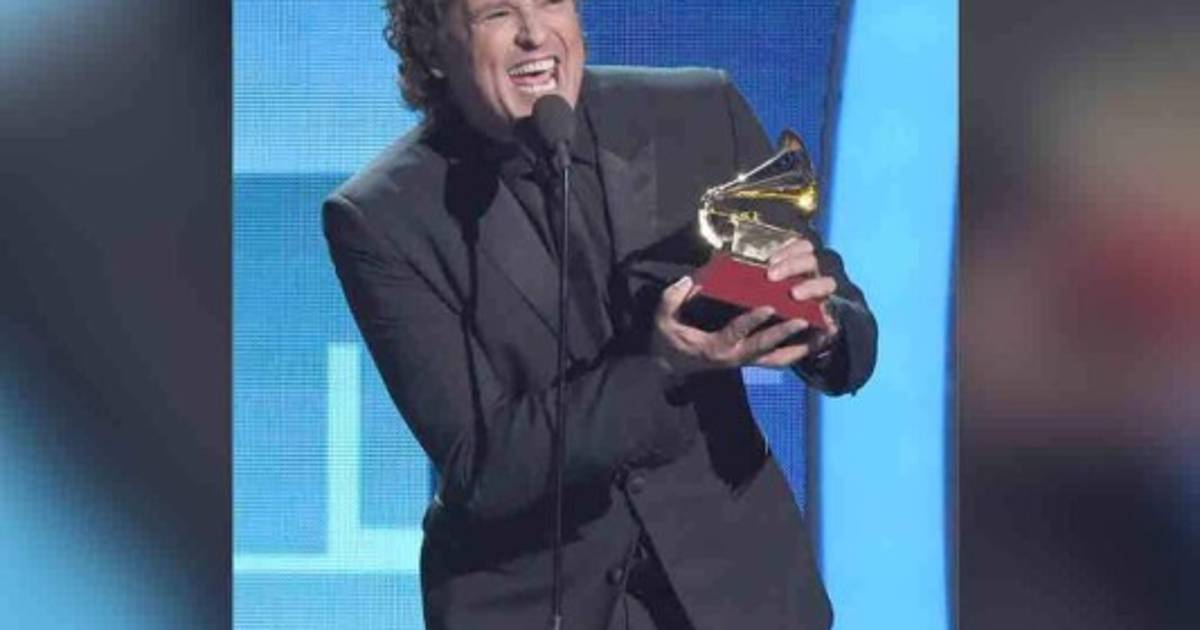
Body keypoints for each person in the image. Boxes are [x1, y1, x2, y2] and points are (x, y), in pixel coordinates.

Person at [323, 0, 877, 627]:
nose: (535, 34)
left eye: (551, 2)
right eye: (497, 13)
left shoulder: (695, 112)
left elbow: (852, 337)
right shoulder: (382, 216)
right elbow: (480, 465)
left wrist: (820, 326)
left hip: (740, 589)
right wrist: (660, 367)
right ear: (430, 44)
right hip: (535, 601)